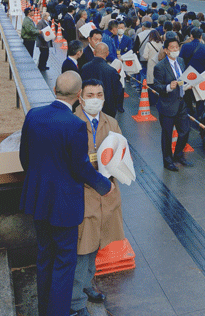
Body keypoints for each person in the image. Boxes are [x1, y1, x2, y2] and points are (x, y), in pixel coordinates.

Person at [19, 71, 112, 316]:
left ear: (54, 89)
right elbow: (80, 168)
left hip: (38, 200)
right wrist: (105, 185)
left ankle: (44, 310)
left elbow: (24, 158)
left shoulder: (33, 115)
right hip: (65, 207)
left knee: (44, 258)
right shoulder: (75, 126)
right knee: (63, 263)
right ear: (79, 95)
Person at [70, 79, 125, 314]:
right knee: (82, 247)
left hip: (106, 193)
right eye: (90, 94)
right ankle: (74, 301)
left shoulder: (110, 122)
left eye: (99, 94)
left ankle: (86, 285)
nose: (95, 99)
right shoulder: (72, 123)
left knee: (96, 245)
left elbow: (121, 153)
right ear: (80, 98)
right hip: (83, 194)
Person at [151, 37, 194, 172]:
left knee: (185, 130)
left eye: (177, 47)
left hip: (181, 102)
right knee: (167, 135)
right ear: (166, 50)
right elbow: (157, 86)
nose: (175, 50)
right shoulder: (160, 66)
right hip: (167, 104)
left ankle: (179, 155)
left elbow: (184, 78)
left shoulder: (180, 61)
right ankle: (168, 161)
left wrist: (187, 86)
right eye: (172, 48)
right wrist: (169, 87)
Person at [79, 43, 123, 118]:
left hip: (88, 107)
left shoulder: (85, 68)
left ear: (94, 52)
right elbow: (118, 91)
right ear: (107, 53)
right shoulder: (111, 71)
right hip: (107, 109)